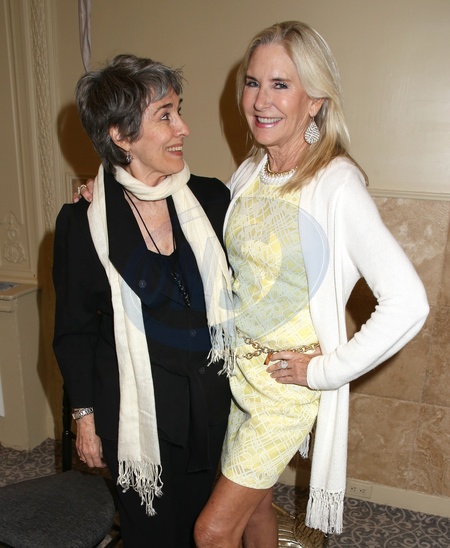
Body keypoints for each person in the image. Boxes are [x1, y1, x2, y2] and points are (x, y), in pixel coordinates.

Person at [193, 21, 429, 547]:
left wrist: (324, 370)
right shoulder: (250, 172)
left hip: (285, 390)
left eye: (281, 84)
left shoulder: (336, 183)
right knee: (256, 510)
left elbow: (408, 301)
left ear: (316, 100)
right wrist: (114, 190)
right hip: (238, 376)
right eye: (253, 83)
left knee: (212, 531)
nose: (261, 100)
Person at [52, 54, 234, 547]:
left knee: (209, 532)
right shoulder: (84, 223)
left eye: (179, 111)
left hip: (212, 407)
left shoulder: (211, 200)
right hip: (136, 415)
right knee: (151, 535)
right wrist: (84, 420)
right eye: (165, 116)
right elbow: (74, 331)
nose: (184, 128)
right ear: (120, 135)